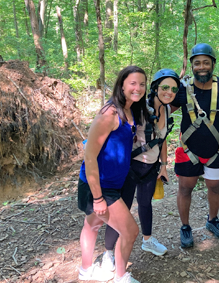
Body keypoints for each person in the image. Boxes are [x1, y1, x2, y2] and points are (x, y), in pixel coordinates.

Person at [102, 69, 180, 268]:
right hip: (130, 167)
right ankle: (108, 253)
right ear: (154, 88)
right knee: (122, 209)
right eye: (164, 87)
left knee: (145, 204)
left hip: (151, 168)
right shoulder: (139, 107)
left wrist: (163, 165)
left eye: (173, 89)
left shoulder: (168, 109)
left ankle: (147, 241)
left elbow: (162, 140)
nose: (168, 91)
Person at [77, 66, 147, 283]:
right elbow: (90, 157)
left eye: (142, 84)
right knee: (131, 231)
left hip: (113, 182)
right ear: (122, 85)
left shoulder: (130, 110)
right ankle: (120, 276)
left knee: (93, 224)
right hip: (100, 185)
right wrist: (98, 197)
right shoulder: (110, 113)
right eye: (133, 83)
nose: (138, 88)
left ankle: (85, 270)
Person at [170, 43, 219, 248]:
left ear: (213, 64)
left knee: (215, 187)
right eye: (197, 63)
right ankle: (185, 227)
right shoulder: (184, 89)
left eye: (206, 63)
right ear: (191, 65)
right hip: (188, 151)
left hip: (217, 151)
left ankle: (212, 220)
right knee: (185, 188)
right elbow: (164, 110)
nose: (202, 67)